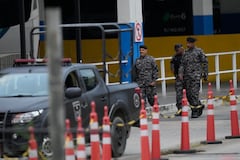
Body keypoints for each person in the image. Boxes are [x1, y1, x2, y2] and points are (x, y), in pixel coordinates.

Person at [178, 37, 208, 118]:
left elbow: (205, 62)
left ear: (193, 43)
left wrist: (205, 74)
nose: (188, 44)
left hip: (195, 76)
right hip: (187, 77)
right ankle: (199, 106)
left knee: (194, 93)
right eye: (187, 43)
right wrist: (180, 73)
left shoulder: (199, 51)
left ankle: (194, 111)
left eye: (190, 43)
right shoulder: (186, 53)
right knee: (188, 94)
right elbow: (182, 64)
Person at [170, 44, 185, 116]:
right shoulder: (175, 57)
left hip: (187, 78)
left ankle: (195, 108)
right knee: (179, 95)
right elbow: (172, 65)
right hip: (178, 78)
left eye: (178, 49)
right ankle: (180, 110)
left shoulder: (187, 56)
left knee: (191, 94)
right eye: (176, 50)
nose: (177, 51)